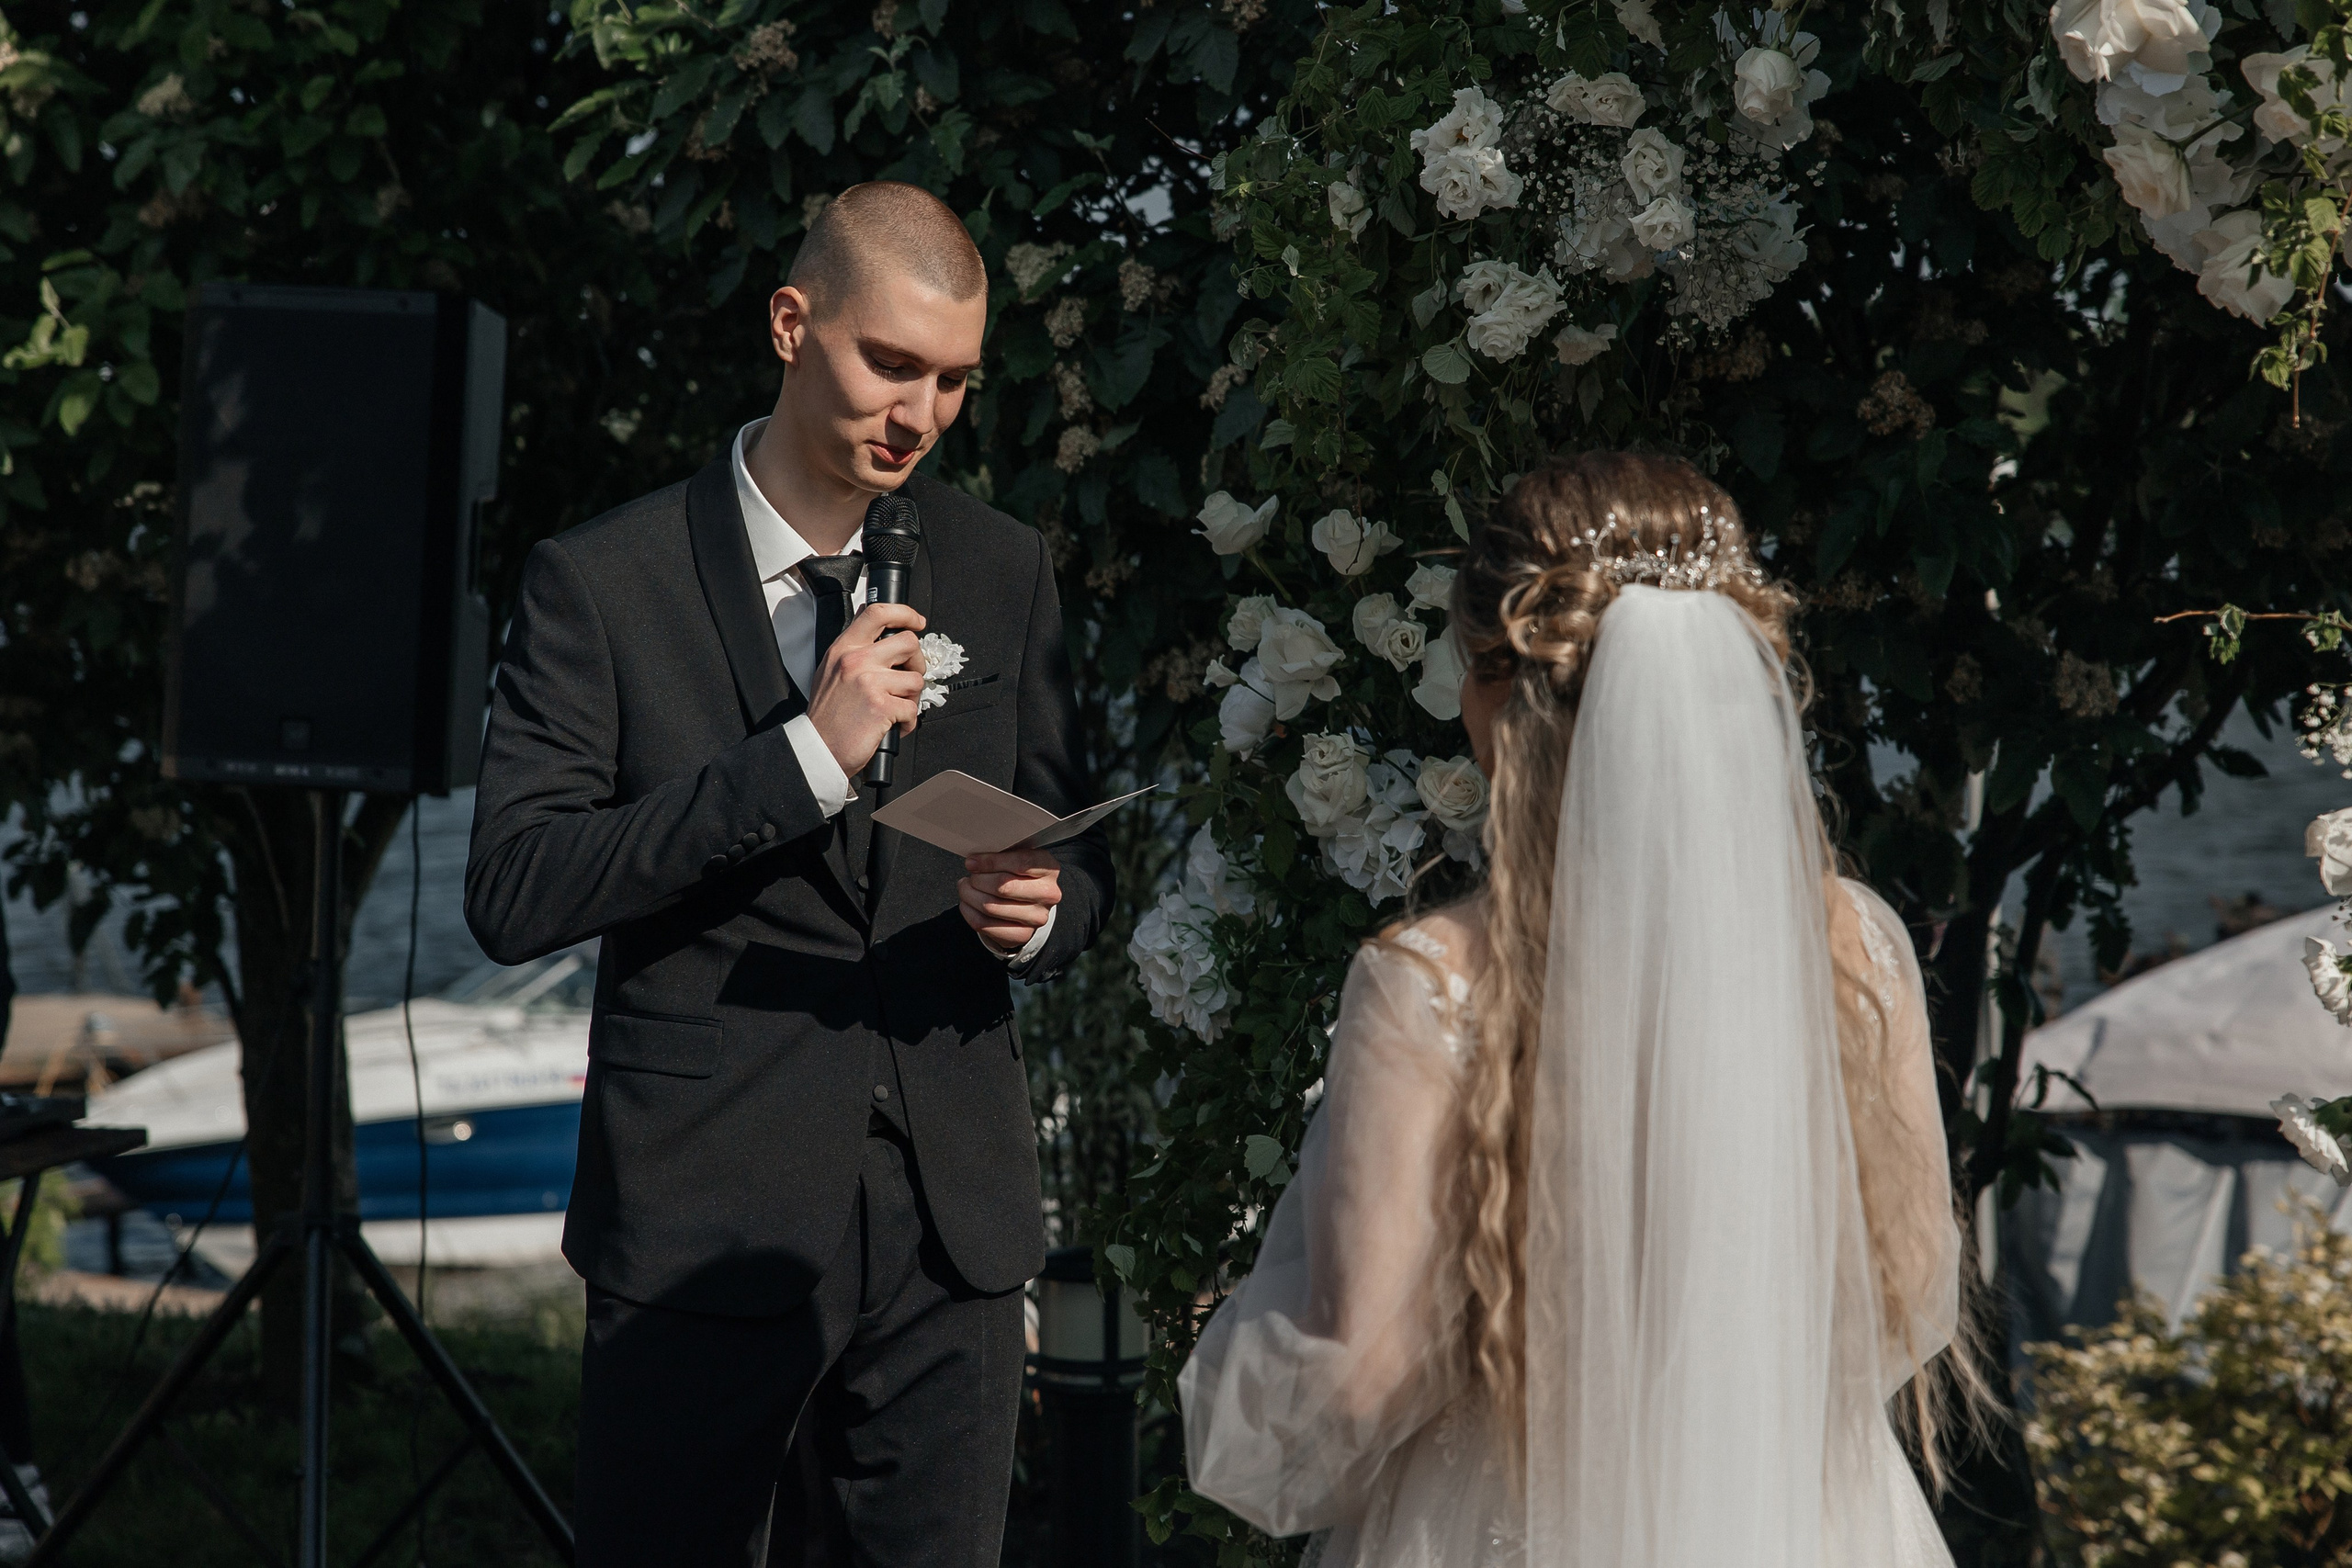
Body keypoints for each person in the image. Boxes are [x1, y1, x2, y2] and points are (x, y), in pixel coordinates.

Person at [465, 181, 1113, 1567]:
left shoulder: (1001, 566)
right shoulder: (602, 580)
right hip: (701, 1211)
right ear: (789, 324)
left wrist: (1037, 917)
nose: (921, 413)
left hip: (953, 1222)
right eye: (891, 363)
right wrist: (803, 761)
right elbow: (516, 886)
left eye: (954, 380)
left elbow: (1077, 854)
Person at [1179, 453, 1985, 1566]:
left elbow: (1364, 1372)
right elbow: (1912, 1286)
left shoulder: (1434, 980)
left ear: (1498, 688)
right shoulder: (1859, 943)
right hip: (1797, 1515)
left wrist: (1232, 1374)